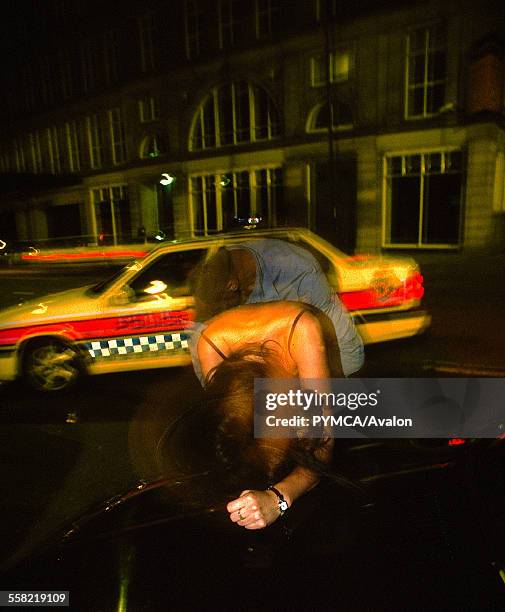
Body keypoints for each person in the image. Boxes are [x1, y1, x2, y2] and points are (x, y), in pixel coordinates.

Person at [198, 300, 341, 530]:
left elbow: (323, 441)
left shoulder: (302, 330)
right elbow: (226, 432)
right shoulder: (211, 344)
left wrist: (279, 499)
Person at [189, 238, 364, 385]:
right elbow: (202, 348)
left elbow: (339, 336)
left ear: (232, 285)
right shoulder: (215, 278)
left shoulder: (297, 269)